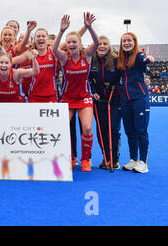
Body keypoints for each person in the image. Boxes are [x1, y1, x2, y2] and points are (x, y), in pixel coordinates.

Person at [52, 13, 100, 172]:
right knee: (63, 128)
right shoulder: (64, 58)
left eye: (74, 42)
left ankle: (85, 160)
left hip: (84, 97)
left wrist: (89, 27)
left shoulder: (86, 56)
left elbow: (97, 42)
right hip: (67, 99)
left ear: (79, 44)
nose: (71, 44)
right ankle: (70, 158)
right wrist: (61, 31)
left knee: (86, 128)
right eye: (69, 42)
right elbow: (53, 49)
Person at [117, 32, 154, 173]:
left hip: (140, 99)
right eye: (124, 41)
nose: (126, 43)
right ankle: (134, 160)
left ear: (134, 42)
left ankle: (144, 162)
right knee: (130, 131)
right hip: (125, 100)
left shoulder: (139, 55)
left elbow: (145, 60)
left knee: (141, 131)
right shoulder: (120, 59)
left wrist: (148, 59)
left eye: (129, 40)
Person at [89, 36, 122, 170]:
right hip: (99, 99)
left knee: (113, 128)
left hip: (114, 98)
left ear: (109, 46)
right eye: (99, 44)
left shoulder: (116, 60)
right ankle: (106, 158)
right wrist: (93, 90)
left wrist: (146, 78)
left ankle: (114, 159)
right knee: (101, 129)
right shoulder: (91, 60)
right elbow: (88, 79)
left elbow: (126, 75)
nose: (102, 46)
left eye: (105, 44)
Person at [27, 28, 59, 103]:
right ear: (34, 40)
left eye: (43, 36)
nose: (41, 38)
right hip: (34, 96)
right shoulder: (29, 54)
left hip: (51, 97)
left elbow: (74, 40)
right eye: (38, 36)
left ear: (47, 39)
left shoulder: (54, 53)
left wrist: (61, 30)